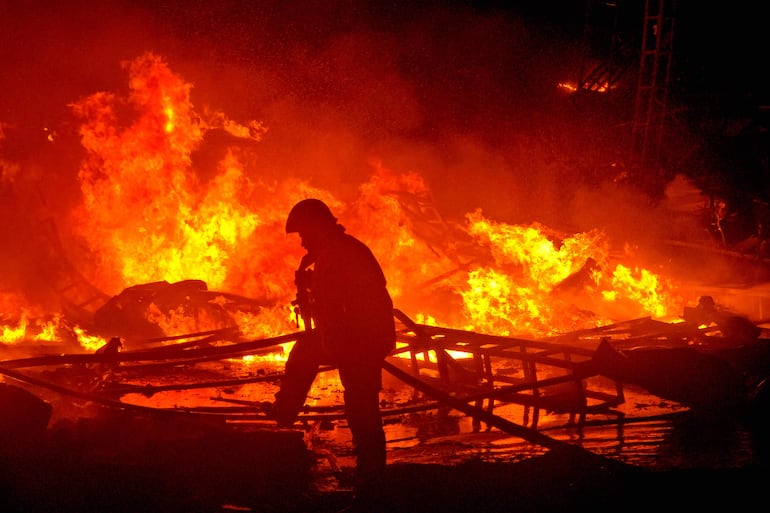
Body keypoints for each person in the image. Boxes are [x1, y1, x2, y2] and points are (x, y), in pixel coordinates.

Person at [271, 198, 396, 507]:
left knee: (362, 408)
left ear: (317, 228)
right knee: (308, 354)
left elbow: (341, 305)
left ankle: (372, 486)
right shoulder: (339, 251)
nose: (302, 242)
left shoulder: (338, 255)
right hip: (356, 337)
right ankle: (284, 412)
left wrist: (331, 335)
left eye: (304, 234)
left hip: (362, 340)